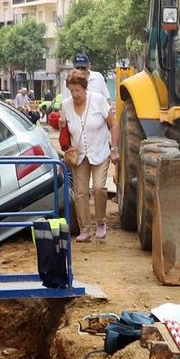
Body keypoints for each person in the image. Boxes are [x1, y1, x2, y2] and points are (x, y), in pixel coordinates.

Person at [60, 69, 117, 242]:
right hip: (80, 155)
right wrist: (61, 125)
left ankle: (101, 223)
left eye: (78, 90)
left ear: (85, 88)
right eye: (72, 90)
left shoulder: (98, 100)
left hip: (100, 150)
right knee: (81, 193)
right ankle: (85, 229)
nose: (75, 94)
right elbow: (65, 131)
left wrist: (114, 149)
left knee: (99, 188)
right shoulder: (66, 105)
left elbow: (113, 125)